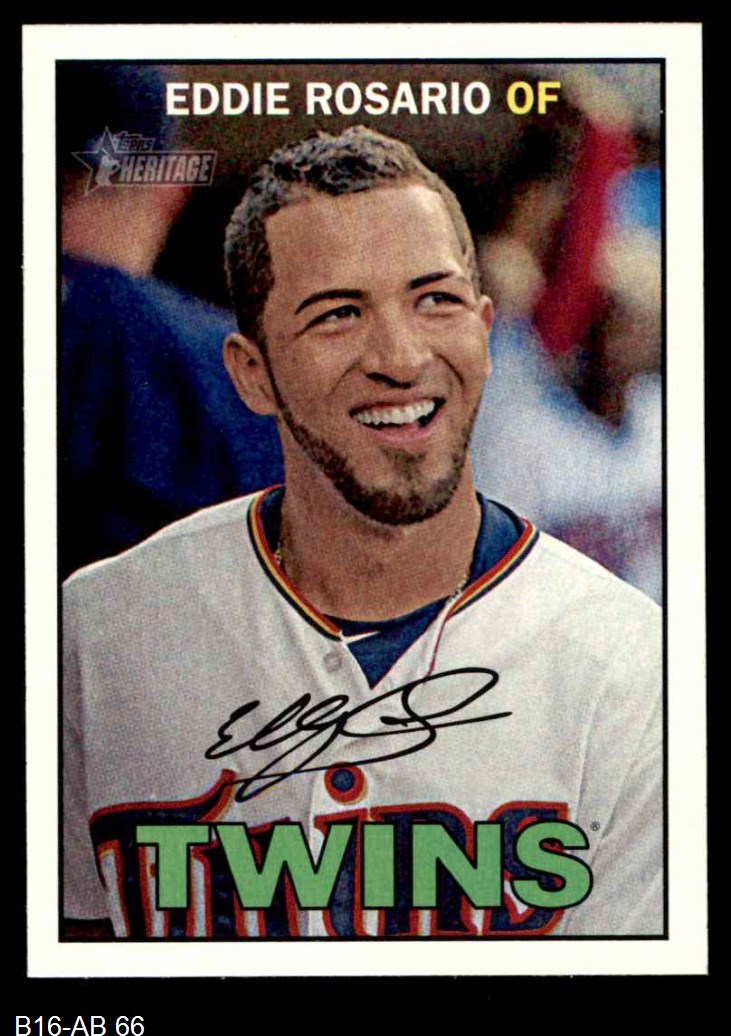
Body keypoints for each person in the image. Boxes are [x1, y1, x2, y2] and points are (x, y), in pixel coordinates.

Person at [63, 126, 662, 939]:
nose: (400, 356)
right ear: (252, 373)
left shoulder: (630, 661)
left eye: (436, 300)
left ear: (484, 330)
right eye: (338, 314)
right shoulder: (95, 632)